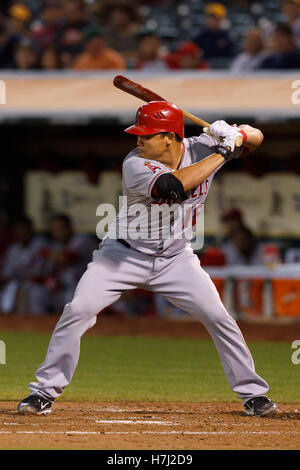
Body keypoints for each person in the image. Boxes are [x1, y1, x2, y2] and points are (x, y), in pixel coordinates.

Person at [17, 101, 278, 417]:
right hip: (121, 256)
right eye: (138, 134)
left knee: (219, 317)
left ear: (170, 138)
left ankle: (254, 395)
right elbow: (175, 187)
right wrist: (224, 152)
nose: (138, 140)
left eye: (146, 135)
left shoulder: (204, 146)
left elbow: (258, 136)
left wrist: (236, 134)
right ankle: (43, 392)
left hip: (176, 258)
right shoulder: (135, 163)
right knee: (78, 310)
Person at [0, 216, 49, 314]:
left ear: (31, 230)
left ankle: (39, 325)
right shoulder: (13, 249)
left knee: (35, 294)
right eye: (18, 231)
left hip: (38, 284)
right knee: (9, 292)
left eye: (23, 230)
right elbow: (7, 274)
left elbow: (43, 271)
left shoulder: (41, 244)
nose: (21, 234)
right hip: (17, 283)